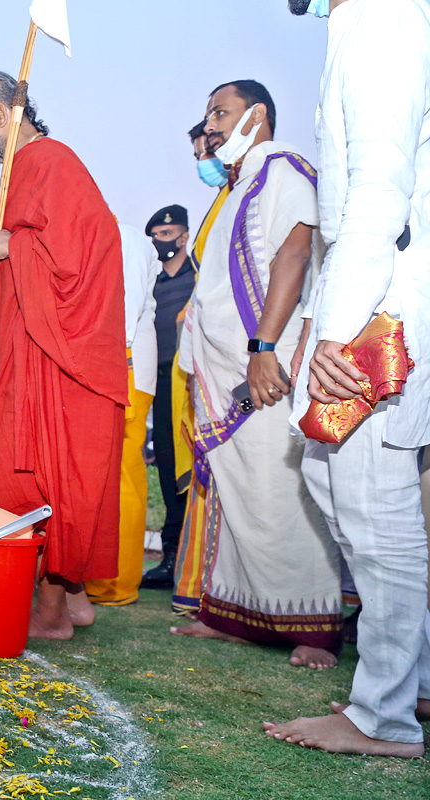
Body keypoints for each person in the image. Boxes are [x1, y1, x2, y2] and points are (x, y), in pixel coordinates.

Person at [265, 0, 430, 757]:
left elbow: (377, 187)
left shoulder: (387, 18)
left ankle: (384, 717)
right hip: (366, 284)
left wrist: (338, 328)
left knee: (372, 495)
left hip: (387, 295)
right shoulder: (365, 20)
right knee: (333, 476)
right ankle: (410, 683)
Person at [170, 79, 343, 668]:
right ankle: (234, 616)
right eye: (208, 113)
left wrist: (264, 345)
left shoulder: (282, 169)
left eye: (221, 111)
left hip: (262, 363)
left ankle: (313, 626)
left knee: (281, 492)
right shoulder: (240, 185)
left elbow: (293, 253)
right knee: (239, 492)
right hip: (223, 366)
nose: (211, 124)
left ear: (258, 115)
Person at [0, 70, 126, 639]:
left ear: (5, 114)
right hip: (28, 356)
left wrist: (13, 245)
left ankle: (51, 612)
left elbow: (85, 252)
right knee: (12, 471)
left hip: (66, 363)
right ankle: (72, 602)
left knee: (41, 481)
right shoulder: (16, 173)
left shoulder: (52, 160)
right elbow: (29, 278)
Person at [170, 125, 234, 612]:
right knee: (207, 471)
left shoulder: (251, 194)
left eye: (209, 148)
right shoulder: (223, 199)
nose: (204, 158)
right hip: (204, 357)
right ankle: (208, 592)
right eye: (197, 153)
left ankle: (230, 595)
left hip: (238, 359)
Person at [85, 226, 159, 606]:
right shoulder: (101, 233)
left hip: (121, 365)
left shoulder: (122, 236)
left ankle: (114, 584)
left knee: (122, 479)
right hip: (113, 364)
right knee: (106, 476)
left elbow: (122, 310)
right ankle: (98, 577)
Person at [140, 205, 197, 591]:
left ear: (183, 236)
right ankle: (172, 557)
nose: (160, 243)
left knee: (196, 470)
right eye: (155, 237)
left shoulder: (202, 279)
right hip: (161, 384)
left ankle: (201, 560)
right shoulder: (153, 286)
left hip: (194, 382)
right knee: (167, 470)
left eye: (166, 235)